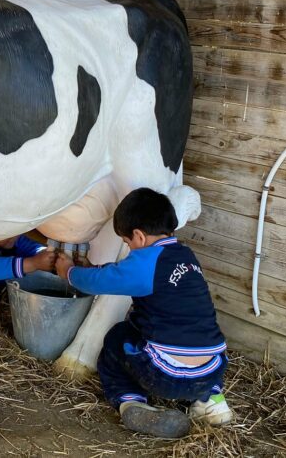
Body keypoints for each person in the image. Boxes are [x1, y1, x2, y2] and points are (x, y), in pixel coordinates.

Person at [55, 188, 232, 438]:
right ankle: (212, 403)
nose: (128, 247)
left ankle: (131, 402)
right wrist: (98, 268)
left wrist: (69, 272)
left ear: (138, 236)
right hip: (212, 368)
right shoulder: (186, 255)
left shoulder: (147, 261)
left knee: (117, 337)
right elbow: (124, 272)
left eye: (127, 243)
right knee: (189, 335)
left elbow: (97, 282)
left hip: (164, 374)